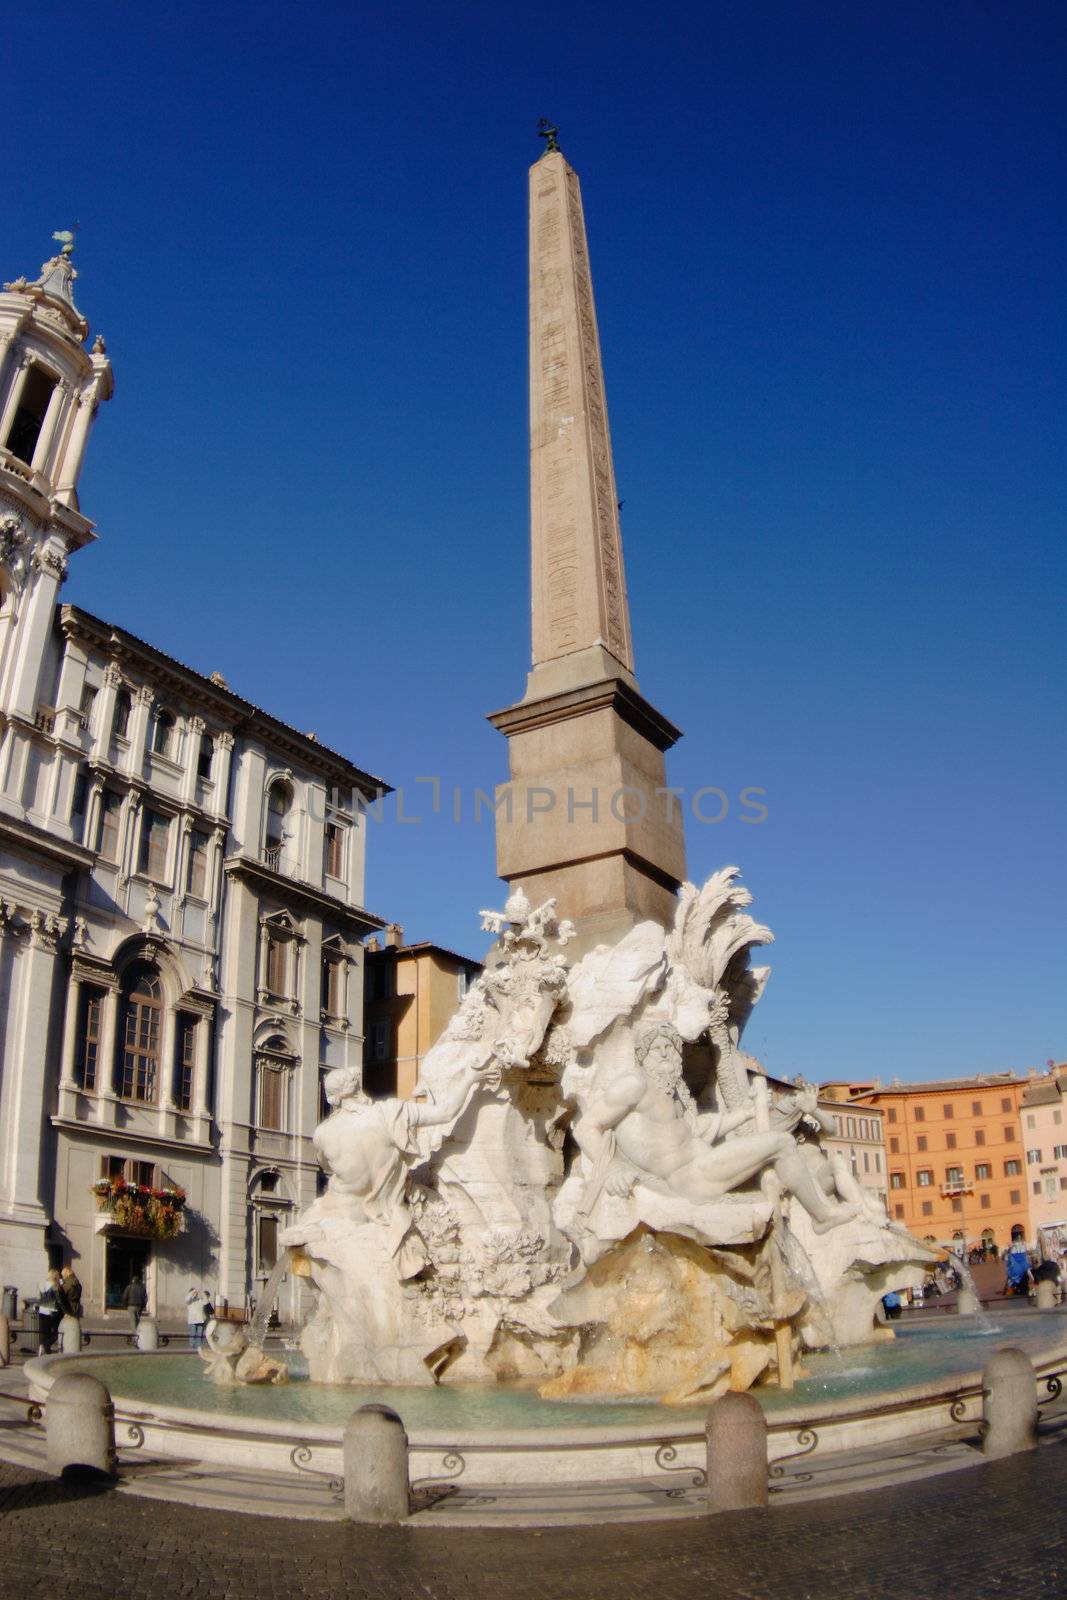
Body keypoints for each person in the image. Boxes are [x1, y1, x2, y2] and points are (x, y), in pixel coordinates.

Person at [37, 1269, 62, 1354]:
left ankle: (43, 1348)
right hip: (51, 1311)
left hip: (42, 1310)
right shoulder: (54, 1286)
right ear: (55, 1276)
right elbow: (59, 1300)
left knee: (44, 1332)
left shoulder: (42, 1285)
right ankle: (46, 1346)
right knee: (56, 1333)